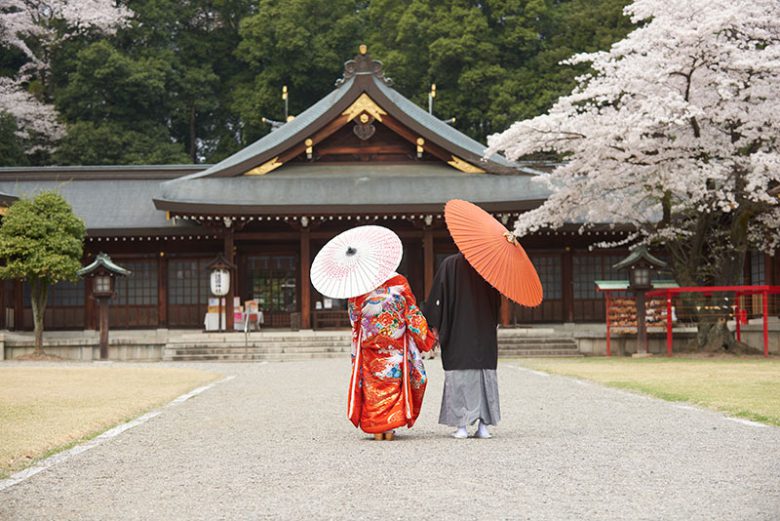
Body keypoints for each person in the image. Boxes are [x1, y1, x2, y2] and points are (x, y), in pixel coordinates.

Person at [347, 272, 436, 440]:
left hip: (370, 344)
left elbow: (354, 318)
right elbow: (411, 313)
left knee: (372, 386)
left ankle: (376, 428)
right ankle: (389, 428)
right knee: (393, 384)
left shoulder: (358, 285)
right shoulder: (399, 281)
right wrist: (425, 337)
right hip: (394, 344)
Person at [423, 252, 501, 439]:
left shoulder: (450, 264)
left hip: (458, 331)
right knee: (485, 377)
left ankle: (461, 427)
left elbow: (437, 298)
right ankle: (484, 426)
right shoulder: (489, 265)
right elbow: (496, 300)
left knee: (459, 378)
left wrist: (434, 324)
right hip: (484, 332)